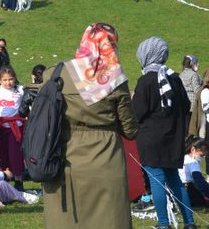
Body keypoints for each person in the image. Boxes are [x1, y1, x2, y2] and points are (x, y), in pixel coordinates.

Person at [42, 23, 138, 228]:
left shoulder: (55, 74)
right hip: (105, 159)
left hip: (64, 156)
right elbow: (130, 131)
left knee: (68, 220)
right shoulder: (115, 79)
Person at [133, 37, 195, 229]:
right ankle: (190, 222)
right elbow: (186, 106)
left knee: (157, 182)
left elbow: (138, 112)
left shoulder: (146, 80)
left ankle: (163, 224)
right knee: (175, 180)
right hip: (173, 137)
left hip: (151, 137)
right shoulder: (174, 78)